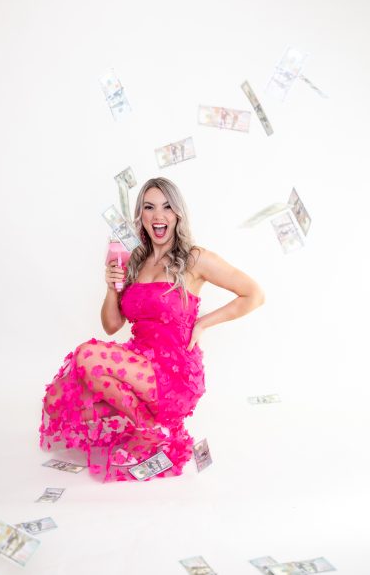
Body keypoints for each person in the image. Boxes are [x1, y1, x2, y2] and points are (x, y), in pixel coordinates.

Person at [39, 177, 264, 482]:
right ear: (141, 216)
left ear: (177, 215)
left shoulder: (195, 258)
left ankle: (149, 429)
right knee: (59, 401)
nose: (158, 215)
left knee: (87, 356)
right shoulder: (136, 261)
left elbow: (254, 294)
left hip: (173, 373)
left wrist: (202, 324)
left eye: (167, 207)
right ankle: (145, 424)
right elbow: (112, 325)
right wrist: (111, 287)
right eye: (149, 207)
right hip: (137, 363)